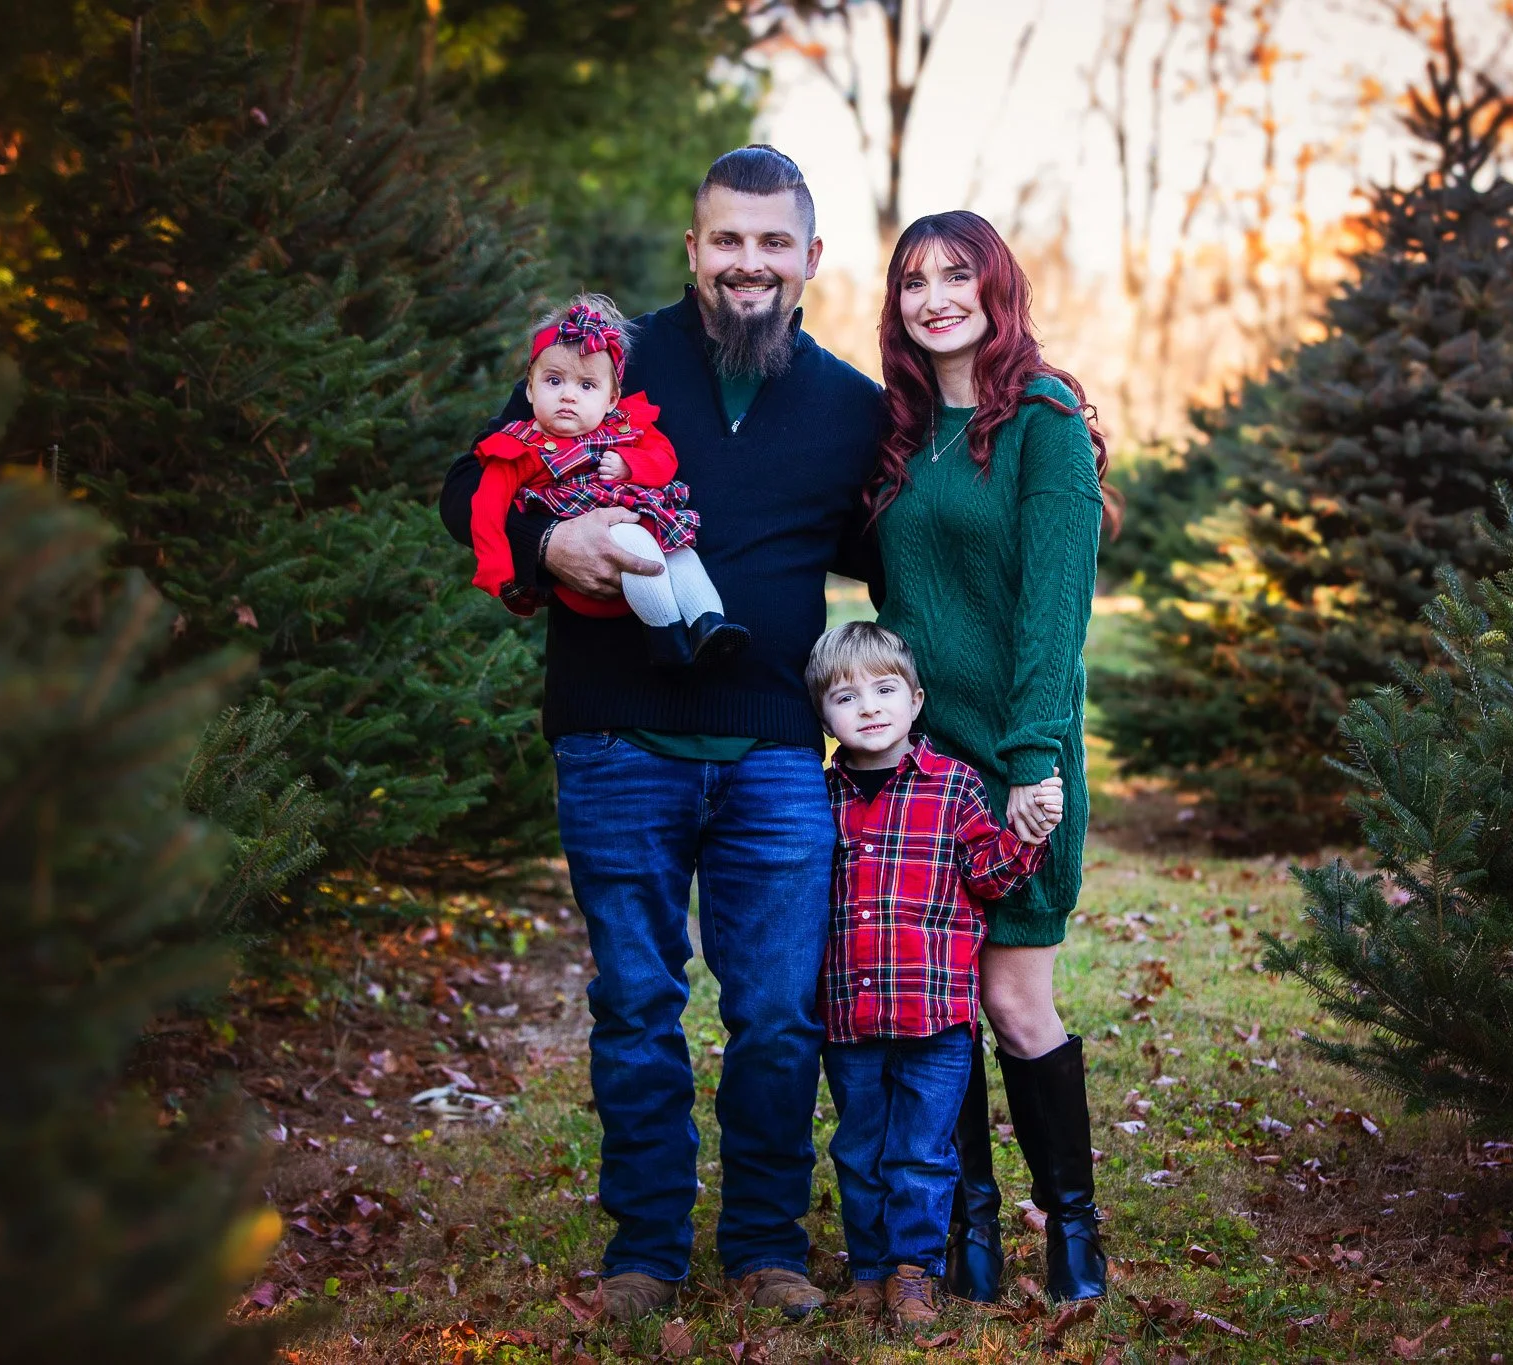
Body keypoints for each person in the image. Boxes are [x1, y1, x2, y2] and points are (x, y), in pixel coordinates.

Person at [437, 146, 886, 1323]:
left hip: (776, 753)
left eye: (771, 242)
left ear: (808, 259)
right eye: (725, 240)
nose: (748, 263)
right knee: (635, 1002)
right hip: (614, 740)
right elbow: (469, 482)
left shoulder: (848, 408)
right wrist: (545, 547)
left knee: (778, 1014)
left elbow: (913, 543)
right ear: (692, 249)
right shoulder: (603, 358)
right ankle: (644, 1249)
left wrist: (1048, 461)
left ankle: (767, 1246)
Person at [868, 210, 1116, 1303]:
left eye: (954, 275)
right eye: (913, 280)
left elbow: (1053, 614)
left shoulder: (1044, 422)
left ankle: (1072, 1232)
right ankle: (965, 1233)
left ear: (993, 288)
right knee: (936, 1006)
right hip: (920, 774)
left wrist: (1031, 763)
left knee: (1015, 1002)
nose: (933, 297)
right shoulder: (901, 435)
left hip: (1015, 764)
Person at [805, 622, 1062, 1325]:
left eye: (885, 689)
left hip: (935, 1018)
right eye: (845, 696)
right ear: (822, 714)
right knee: (859, 1148)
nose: (868, 707)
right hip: (849, 1016)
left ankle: (914, 1271)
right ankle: (867, 1268)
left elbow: (988, 874)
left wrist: (1029, 834)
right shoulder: (815, 798)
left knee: (921, 1151)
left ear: (916, 701)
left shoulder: (953, 789)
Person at [466, 293, 748, 667]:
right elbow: (486, 507)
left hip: (650, 537)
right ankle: (666, 639)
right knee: (634, 540)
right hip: (588, 578)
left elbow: (664, 461)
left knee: (680, 551)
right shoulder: (520, 447)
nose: (568, 395)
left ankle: (708, 623)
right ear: (530, 388)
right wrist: (498, 570)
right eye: (553, 381)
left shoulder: (627, 428)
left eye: (586, 386)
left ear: (612, 398)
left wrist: (630, 466)